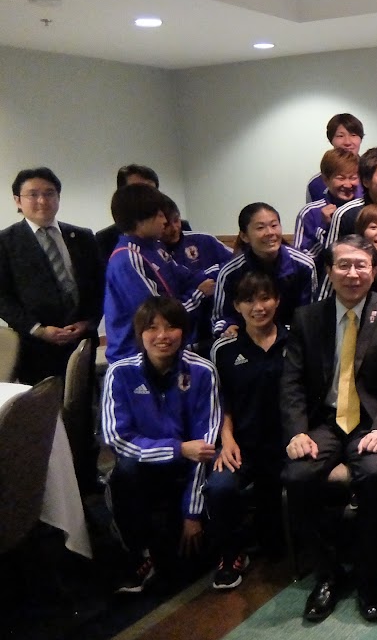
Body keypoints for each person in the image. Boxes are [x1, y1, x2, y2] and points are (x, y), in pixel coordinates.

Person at [280, 235, 377, 624]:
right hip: (325, 421)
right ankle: (329, 572)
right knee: (297, 477)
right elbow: (292, 381)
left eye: (361, 265)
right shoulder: (307, 317)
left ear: (374, 270)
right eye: (344, 265)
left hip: (371, 423)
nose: (353, 274)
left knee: (375, 474)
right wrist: (296, 431)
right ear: (329, 270)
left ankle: (368, 575)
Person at [100, 297, 221, 593]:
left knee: (186, 565)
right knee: (124, 472)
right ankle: (139, 553)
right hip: (145, 468)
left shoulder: (203, 371)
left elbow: (204, 447)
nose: (162, 336)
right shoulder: (120, 373)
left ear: (184, 331)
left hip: (189, 472)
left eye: (171, 327)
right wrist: (177, 448)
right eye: (152, 328)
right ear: (140, 333)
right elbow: (116, 438)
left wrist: (192, 514)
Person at [206, 272, 288, 590]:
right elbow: (222, 401)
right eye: (249, 300)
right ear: (237, 306)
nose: (259, 307)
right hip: (242, 445)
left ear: (277, 301)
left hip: (285, 444)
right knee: (220, 487)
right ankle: (231, 554)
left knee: (276, 544)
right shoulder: (224, 349)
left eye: (266, 298)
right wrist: (226, 439)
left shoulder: (294, 340)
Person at [0, 167, 104, 386]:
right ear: (18, 200)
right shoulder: (6, 242)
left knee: (84, 399)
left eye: (49, 193)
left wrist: (88, 322)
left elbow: (100, 285)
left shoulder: (82, 237)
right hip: (35, 347)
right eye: (33, 194)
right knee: (43, 404)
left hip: (81, 340)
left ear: (58, 197)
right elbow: (3, 298)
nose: (42, 200)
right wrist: (38, 330)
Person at [103, 184, 212, 362]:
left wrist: (216, 276)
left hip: (165, 349)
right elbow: (157, 315)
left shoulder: (154, 246)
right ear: (140, 220)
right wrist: (199, 293)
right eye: (160, 215)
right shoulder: (128, 258)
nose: (165, 221)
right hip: (136, 356)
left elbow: (185, 276)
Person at [211, 203, 317, 337]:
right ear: (244, 236)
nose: (270, 233)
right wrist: (228, 327)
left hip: (292, 337)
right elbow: (219, 318)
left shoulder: (303, 265)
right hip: (245, 337)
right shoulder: (230, 272)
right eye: (260, 228)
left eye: (274, 225)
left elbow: (309, 314)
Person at [161, 197, 233, 355]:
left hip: (215, 328)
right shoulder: (156, 254)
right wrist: (198, 291)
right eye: (166, 225)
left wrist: (207, 276)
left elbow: (235, 262)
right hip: (182, 336)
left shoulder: (203, 239)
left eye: (176, 220)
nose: (174, 228)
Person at [95, 164, 191, 263]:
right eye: (138, 192)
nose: (145, 198)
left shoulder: (178, 226)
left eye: (151, 191)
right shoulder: (106, 239)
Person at [294, 148, 360, 269]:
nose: (348, 184)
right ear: (326, 180)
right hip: (322, 277)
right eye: (341, 178)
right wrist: (326, 228)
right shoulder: (309, 213)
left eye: (353, 178)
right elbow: (302, 262)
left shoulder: (364, 210)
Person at [305, 113, 365, 203]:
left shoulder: (373, 175)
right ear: (331, 140)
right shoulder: (316, 183)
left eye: (353, 135)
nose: (347, 142)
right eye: (340, 136)